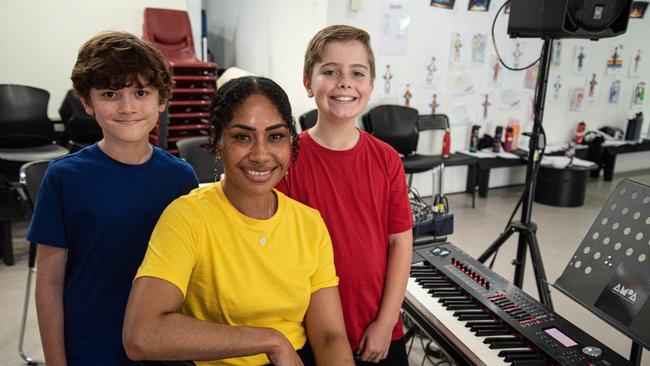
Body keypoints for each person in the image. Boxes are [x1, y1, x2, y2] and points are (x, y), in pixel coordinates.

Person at [122, 76, 354, 366]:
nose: (260, 155)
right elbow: (141, 335)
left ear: (290, 143)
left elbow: (331, 335)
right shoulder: (187, 217)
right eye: (243, 137)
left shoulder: (310, 224)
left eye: (275, 136)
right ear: (218, 142)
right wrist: (271, 341)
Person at [27, 31, 198, 365]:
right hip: (91, 347)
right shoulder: (63, 178)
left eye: (141, 92)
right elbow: (48, 282)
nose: (128, 107)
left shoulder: (181, 177)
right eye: (110, 93)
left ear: (161, 100)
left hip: (166, 345)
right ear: (87, 102)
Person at [277, 25, 413, 365]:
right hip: (308, 332)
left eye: (357, 73)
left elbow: (400, 243)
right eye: (330, 71)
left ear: (370, 85)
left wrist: (385, 321)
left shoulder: (386, 160)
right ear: (308, 83)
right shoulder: (287, 160)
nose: (344, 83)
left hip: (377, 326)